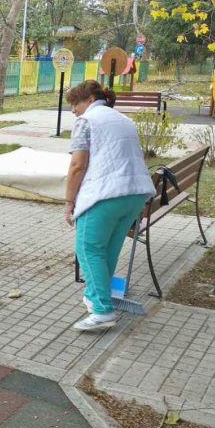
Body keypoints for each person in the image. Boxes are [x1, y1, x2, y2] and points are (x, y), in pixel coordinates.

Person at [64, 80, 156, 332]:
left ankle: (102, 310)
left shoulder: (86, 122)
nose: (73, 110)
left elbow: (77, 166)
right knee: (108, 249)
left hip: (106, 195)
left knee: (88, 248)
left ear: (89, 100)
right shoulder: (122, 120)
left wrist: (69, 202)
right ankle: (96, 295)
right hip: (135, 195)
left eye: (75, 103)